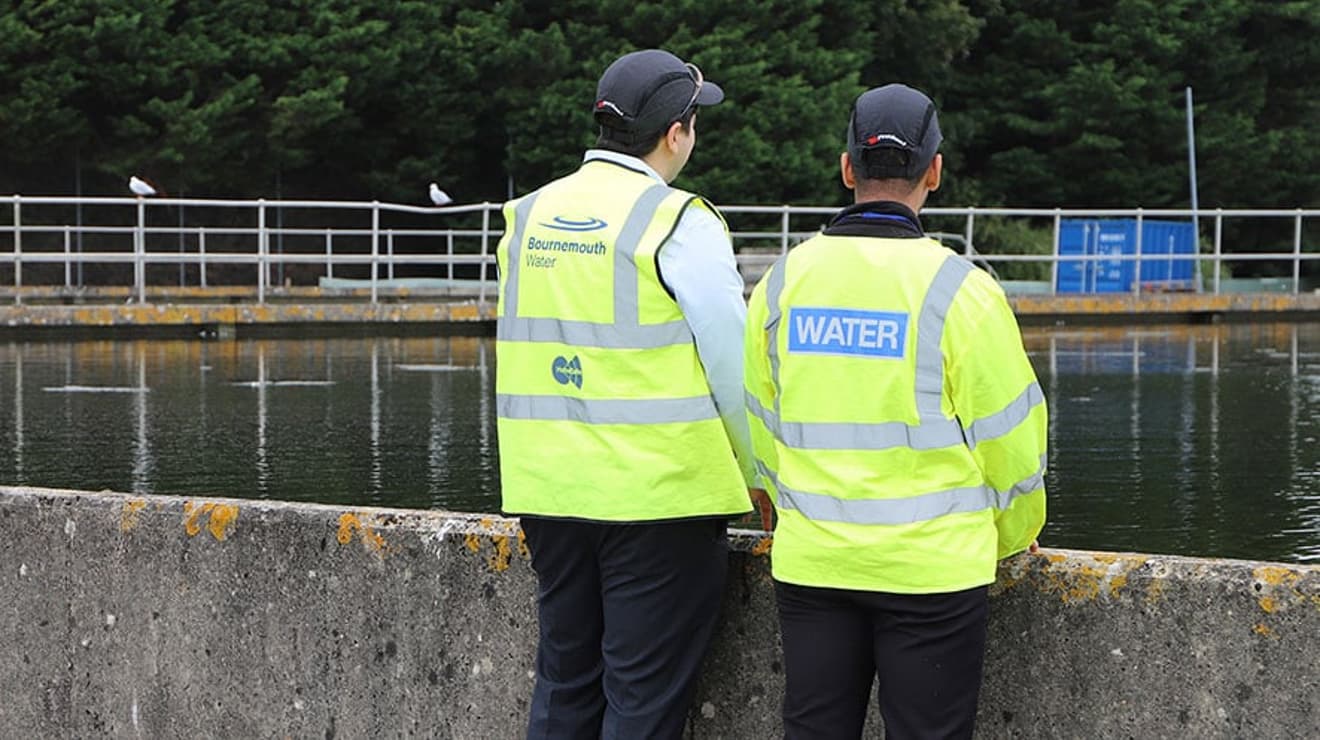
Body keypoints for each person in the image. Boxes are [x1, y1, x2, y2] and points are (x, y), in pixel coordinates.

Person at [743, 84, 1047, 739]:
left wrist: (783, 505)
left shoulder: (781, 283)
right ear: (934, 171)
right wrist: (1014, 533)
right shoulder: (962, 291)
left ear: (848, 168)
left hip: (813, 562)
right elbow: (1012, 444)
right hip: (934, 571)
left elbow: (758, 425)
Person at [494, 49, 770, 740]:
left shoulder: (526, 217)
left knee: (565, 686)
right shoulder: (678, 221)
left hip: (550, 492)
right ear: (676, 132)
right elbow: (732, 369)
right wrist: (762, 477)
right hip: (659, 502)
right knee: (642, 703)